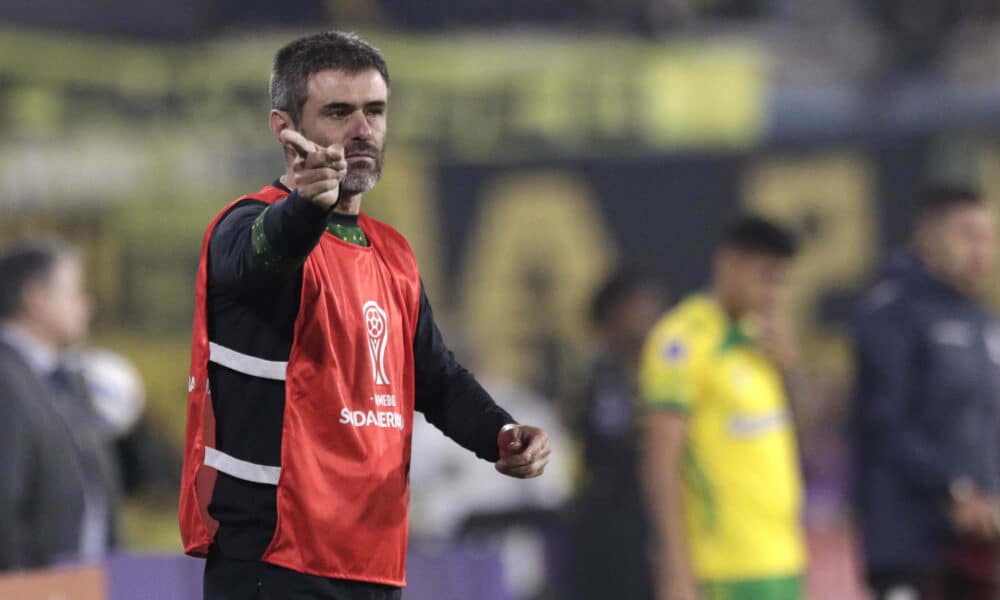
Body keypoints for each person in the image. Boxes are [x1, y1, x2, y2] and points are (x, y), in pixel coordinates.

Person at [178, 31, 552, 600]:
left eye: (374, 111)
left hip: (372, 563)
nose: (362, 129)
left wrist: (499, 434)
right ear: (285, 128)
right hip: (274, 562)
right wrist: (306, 207)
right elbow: (262, 260)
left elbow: (435, 378)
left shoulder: (393, 252)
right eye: (337, 112)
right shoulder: (244, 227)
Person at [640, 216, 805, 600]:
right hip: (721, 570)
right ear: (728, 263)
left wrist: (791, 369)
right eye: (765, 278)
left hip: (783, 560)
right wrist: (676, 570)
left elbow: (799, 438)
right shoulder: (681, 341)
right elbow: (660, 463)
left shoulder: (759, 340)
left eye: (782, 281)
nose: (774, 294)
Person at [851, 186, 1000, 600]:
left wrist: (987, 496)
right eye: (967, 234)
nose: (981, 249)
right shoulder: (890, 312)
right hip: (908, 544)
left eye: (988, 236)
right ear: (928, 240)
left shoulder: (983, 321)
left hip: (975, 545)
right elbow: (884, 423)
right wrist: (953, 489)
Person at [0, 240, 120, 570]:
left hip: (87, 581)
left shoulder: (68, 379)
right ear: (35, 298)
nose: (86, 305)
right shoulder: (6, 379)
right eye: (75, 292)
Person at [569, 268, 666, 600]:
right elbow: (612, 447)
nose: (652, 315)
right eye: (639, 306)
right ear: (614, 315)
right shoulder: (599, 380)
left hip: (650, 517)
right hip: (609, 523)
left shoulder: (663, 374)